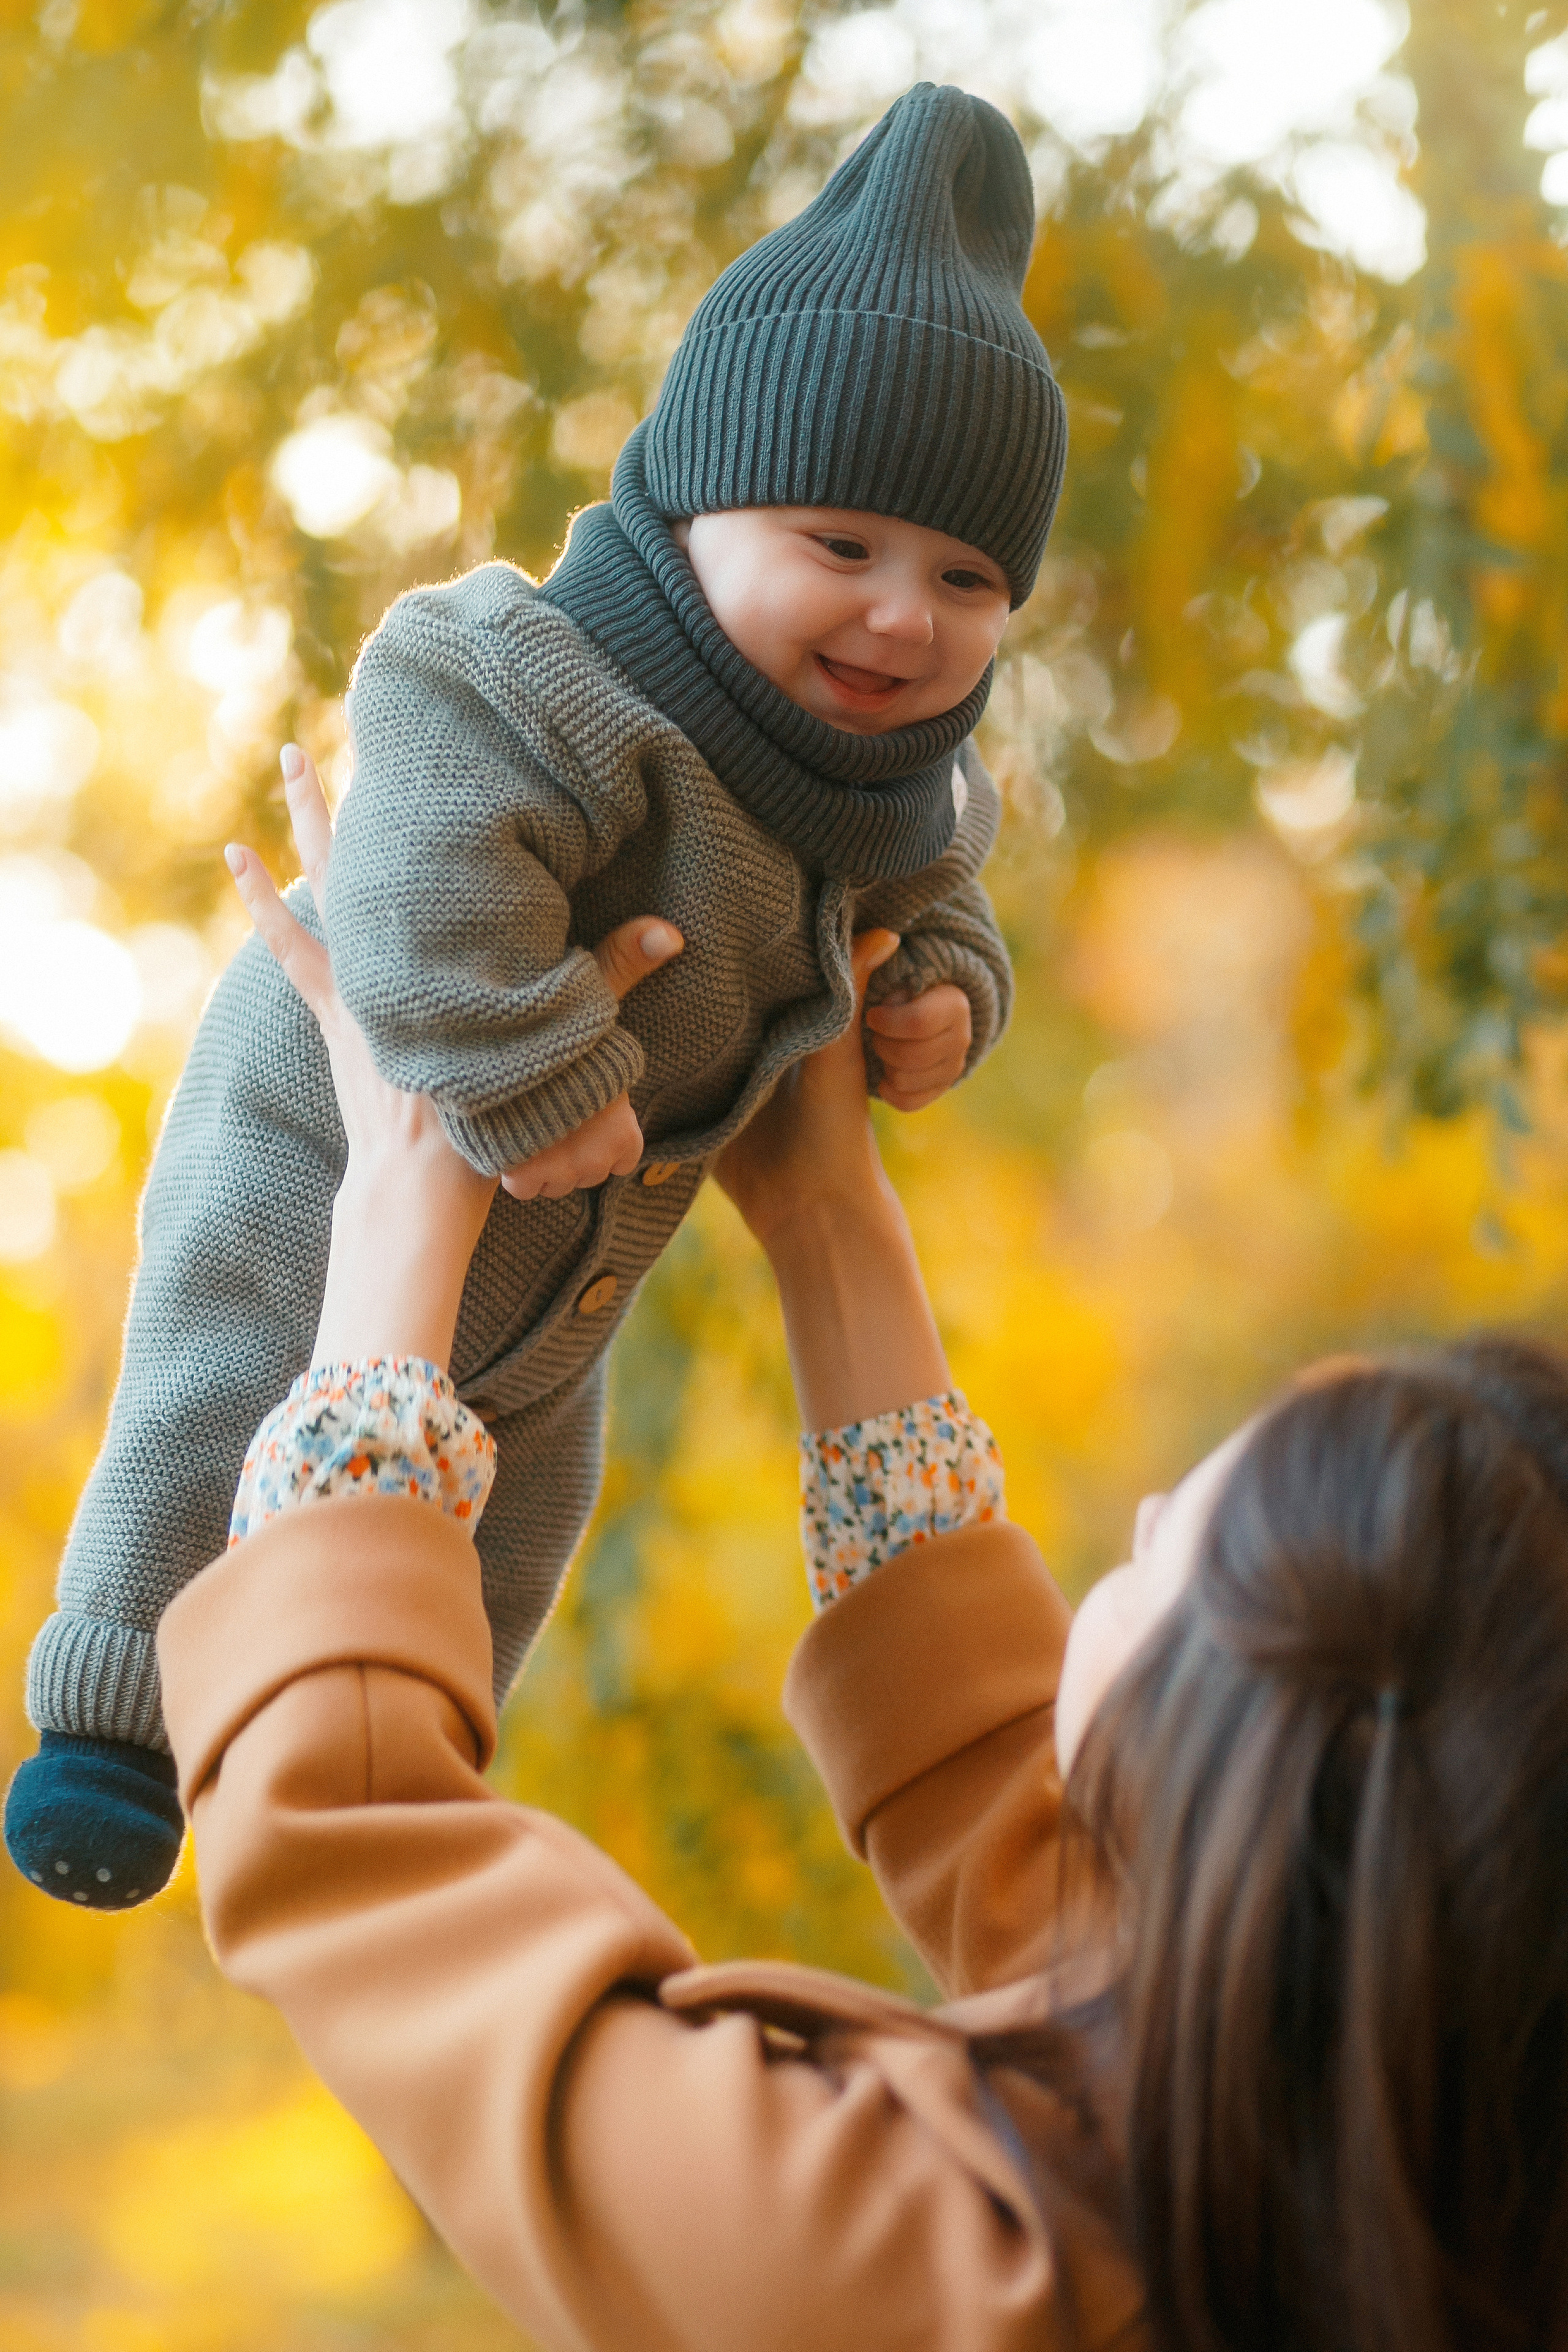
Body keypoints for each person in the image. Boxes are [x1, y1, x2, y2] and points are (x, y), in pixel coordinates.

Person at [156, 762, 1568, 2351]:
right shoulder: (1374, 2174)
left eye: (1195, 1541)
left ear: (1263, 1752)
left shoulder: (931, 2286)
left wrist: (400, 1207)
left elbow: (362, 1856)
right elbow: (1032, 1856)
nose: (1155, 1514)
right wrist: (828, 1213)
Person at [10, 80, 1068, 1909]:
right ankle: (112, 1716)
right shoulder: (540, 670)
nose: (905, 617)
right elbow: (421, 856)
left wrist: (948, 1003)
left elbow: (944, 899)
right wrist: (523, 1056)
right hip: (331, 1141)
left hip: (576, 1258)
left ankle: (416, 1772)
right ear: (696, 505)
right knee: (209, 1391)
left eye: (965, 579)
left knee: (522, 1513)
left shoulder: (898, 794)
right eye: (843, 549)